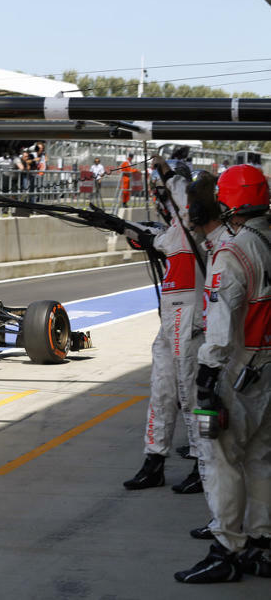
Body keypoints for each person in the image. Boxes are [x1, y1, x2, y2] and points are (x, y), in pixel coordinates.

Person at [175, 164, 271, 583]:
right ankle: (261, 542)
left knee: (220, 459)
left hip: (238, 367)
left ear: (227, 202)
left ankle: (227, 548)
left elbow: (221, 318)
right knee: (262, 459)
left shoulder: (233, 251)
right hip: (268, 368)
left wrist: (207, 374)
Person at [122, 151, 207, 495]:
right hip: (169, 323)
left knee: (192, 396)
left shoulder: (196, 229)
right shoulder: (174, 231)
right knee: (161, 392)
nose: (159, 197)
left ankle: (205, 462)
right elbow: (154, 237)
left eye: (163, 191)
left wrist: (167, 173)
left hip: (190, 323)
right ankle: (154, 461)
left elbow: (184, 208)